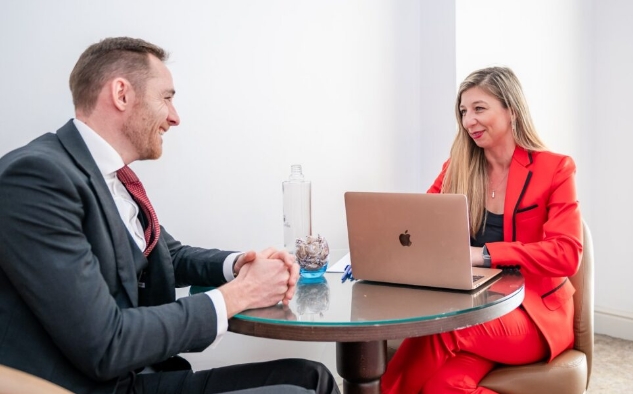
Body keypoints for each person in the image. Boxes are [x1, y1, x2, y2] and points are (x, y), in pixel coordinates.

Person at [0, 37, 340, 394]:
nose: (175, 117)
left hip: (137, 376)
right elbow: (106, 344)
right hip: (94, 386)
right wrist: (241, 294)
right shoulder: (36, 178)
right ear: (121, 94)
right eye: (166, 98)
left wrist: (240, 265)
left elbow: (165, 255)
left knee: (311, 378)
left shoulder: (113, 178)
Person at [381, 66, 582, 394]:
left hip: (533, 314)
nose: (468, 121)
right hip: (476, 304)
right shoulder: (458, 167)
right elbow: (419, 224)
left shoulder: (555, 168)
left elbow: (567, 254)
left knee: (445, 326)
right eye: (463, 111)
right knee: (443, 387)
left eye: (479, 108)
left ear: (511, 110)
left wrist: (485, 255)